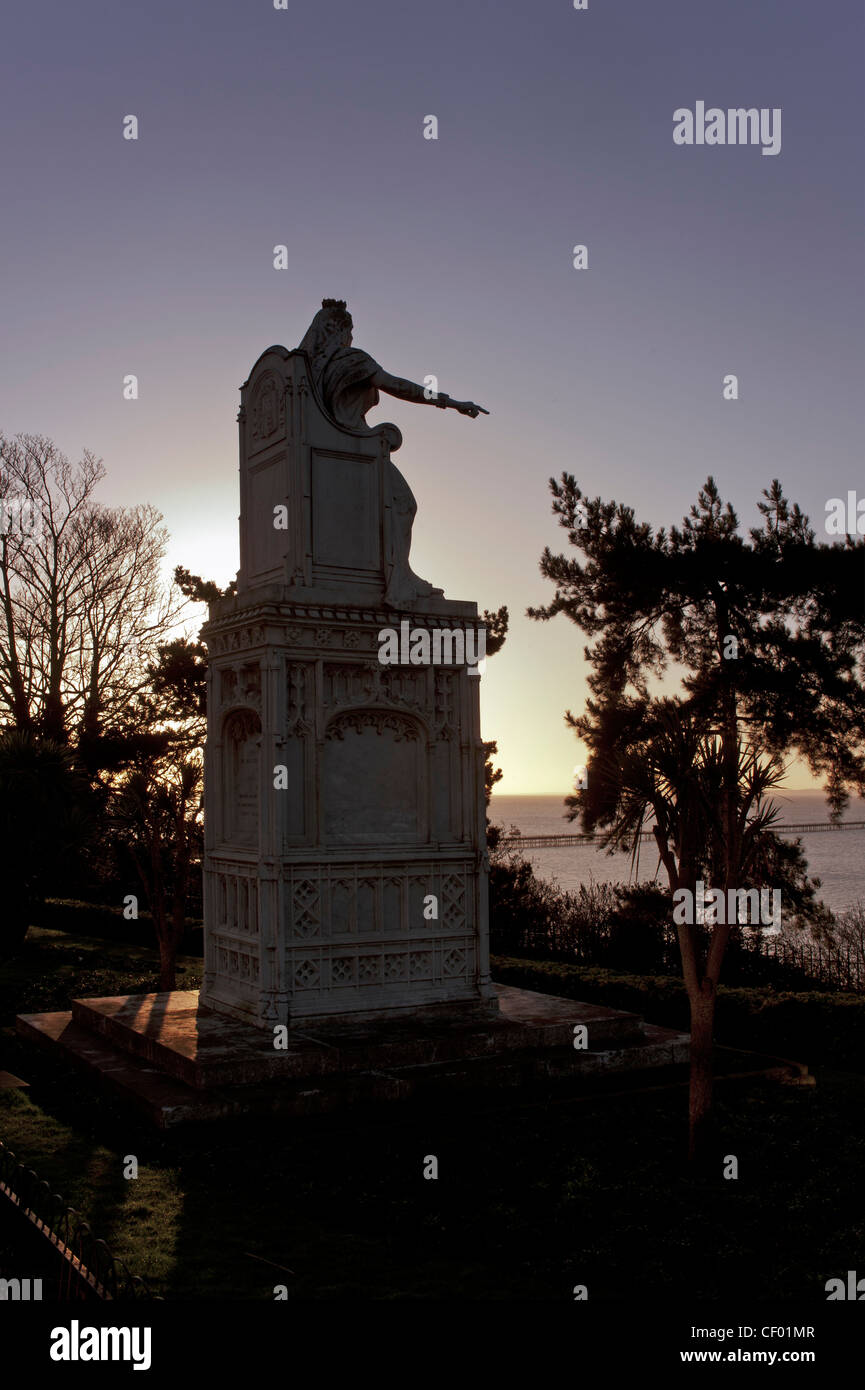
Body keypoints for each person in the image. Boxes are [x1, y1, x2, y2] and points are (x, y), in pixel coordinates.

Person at [298, 299, 488, 603]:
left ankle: (396, 573)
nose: (351, 338)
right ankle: (399, 579)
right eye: (350, 330)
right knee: (403, 504)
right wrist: (449, 402)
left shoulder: (306, 370)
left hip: (323, 460)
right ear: (341, 331)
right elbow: (397, 385)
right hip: (359, 453)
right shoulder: (351, 360)